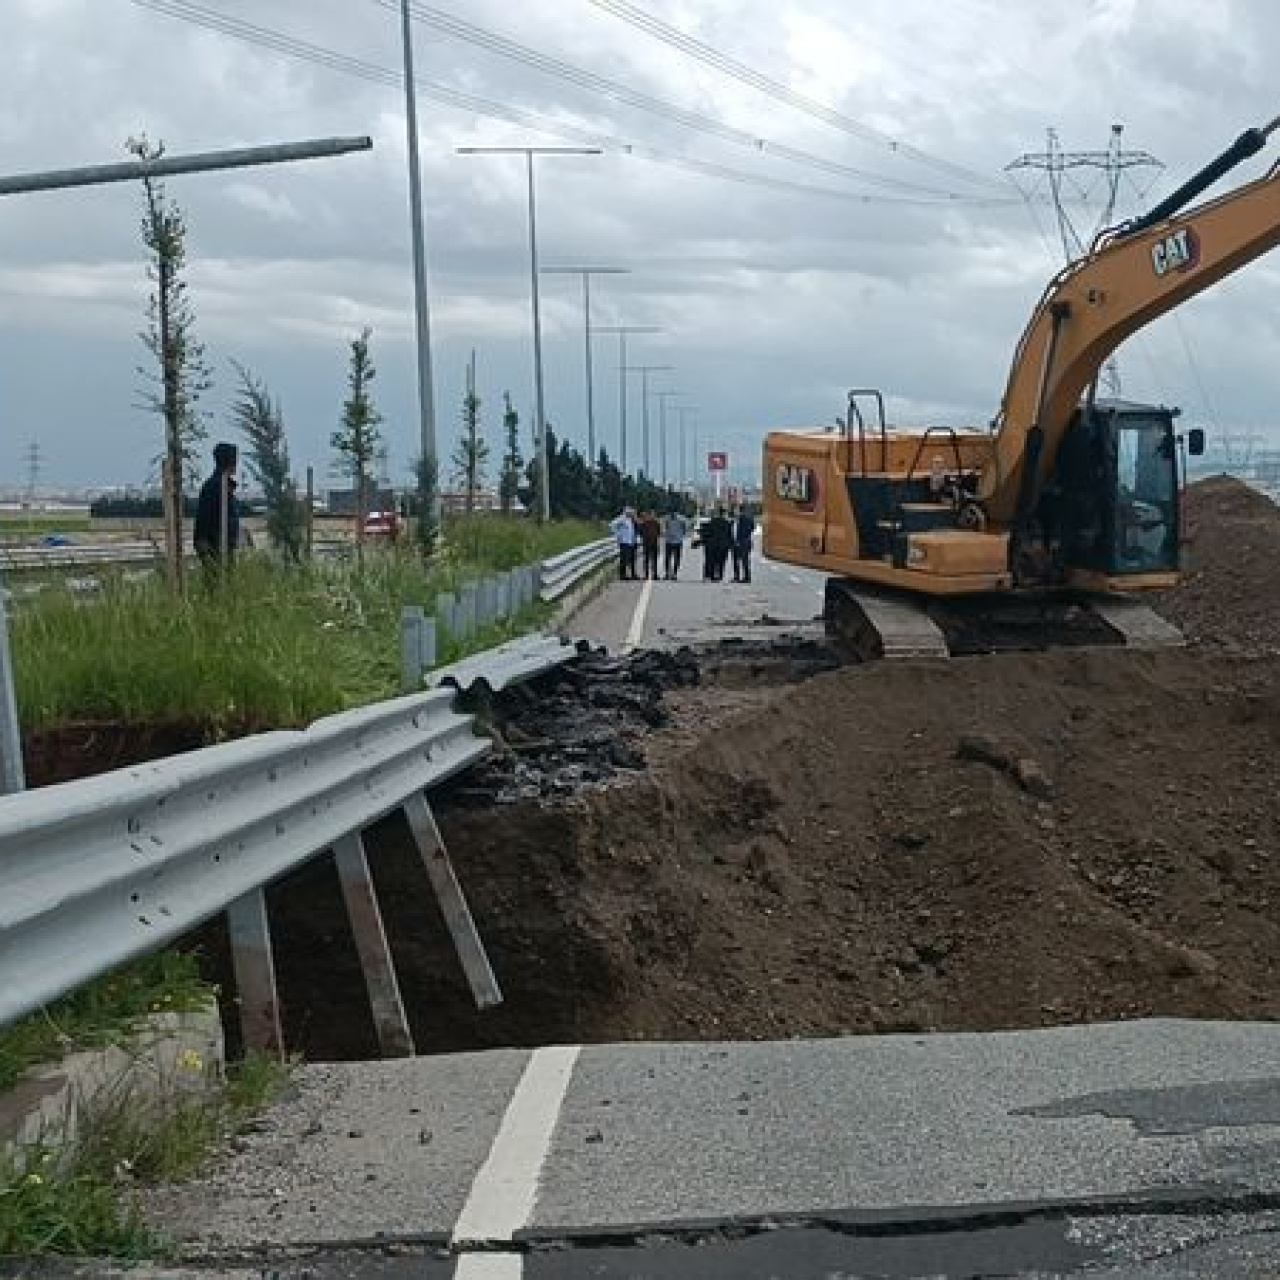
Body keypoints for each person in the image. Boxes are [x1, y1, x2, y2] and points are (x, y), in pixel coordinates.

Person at [194, 441, 240, 572]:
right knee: (217, 585)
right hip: (216, 548)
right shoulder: (216, 486)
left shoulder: (221, 484)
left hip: (223, 547)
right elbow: (205, 519)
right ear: (230, 461)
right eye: (235, 459)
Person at [705, 506, 734, 581]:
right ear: (724, 514)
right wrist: (731, 545)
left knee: (712, 560)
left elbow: (708, 533)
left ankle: (710, 575)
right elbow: (729, 535)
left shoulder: (712, 521)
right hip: (723, 545)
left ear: (718, 513)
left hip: (713, 544)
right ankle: (719, 575)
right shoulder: (727, 523)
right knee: (721, 561)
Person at [609, 506, 639, 580]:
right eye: (630, 512)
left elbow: (633, 530)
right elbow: (612, 524)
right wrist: (618, 534)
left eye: (632, 513)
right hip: (624, 542)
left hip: (631, 542)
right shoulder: (622, 518)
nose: (631, 514)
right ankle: (622, 575)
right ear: (626, 512)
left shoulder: (630, 520)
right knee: (624, 559)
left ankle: (633, 574)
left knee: (632, 559)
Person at [731, 505, 757, 583]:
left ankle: (745, 577)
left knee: (744, 561)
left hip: (743, 543)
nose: (735, 512)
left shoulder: (745, 520)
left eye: (736, 510)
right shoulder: (736, 520)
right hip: (738, 543)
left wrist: (741, 539)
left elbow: (750, 529)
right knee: (736, 560)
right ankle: (738, 577)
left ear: (740, 511)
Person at [663, 508, 688, 580]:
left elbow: (684, 529)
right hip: (669, 541)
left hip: (677, 541)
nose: (673, 514)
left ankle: (674, 574)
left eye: (674, 513)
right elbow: (666, 527)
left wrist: (680, 536)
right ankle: (668, 573)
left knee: (676, 559)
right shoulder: (667, 519)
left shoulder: (681, 519)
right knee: (668, 558)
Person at [637, 510, 662, 580]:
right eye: (651, 515)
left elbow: (659, 533)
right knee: (646, 560)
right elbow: (640, 532)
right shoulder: (644, 523)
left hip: (654, 543)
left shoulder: (656, 523)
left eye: (653, 515)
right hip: (646, 543)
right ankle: (646, 575)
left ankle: (655, 575)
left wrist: (658, 543)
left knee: (654, 560)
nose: (652, 517)